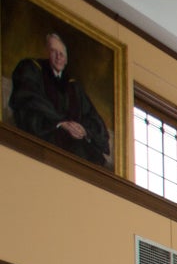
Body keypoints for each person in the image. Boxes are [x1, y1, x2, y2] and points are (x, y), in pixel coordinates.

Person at [7, 30, 112, 167]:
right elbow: (29, 99)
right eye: (54, 51)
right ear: (47, 52)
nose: (58, 57)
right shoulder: (32, 69)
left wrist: (84, 129)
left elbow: (92, 117)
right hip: (46, 133)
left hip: (74, 141)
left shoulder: (74, 86)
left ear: (66, 59)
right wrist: (60, 123)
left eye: (62, 54)